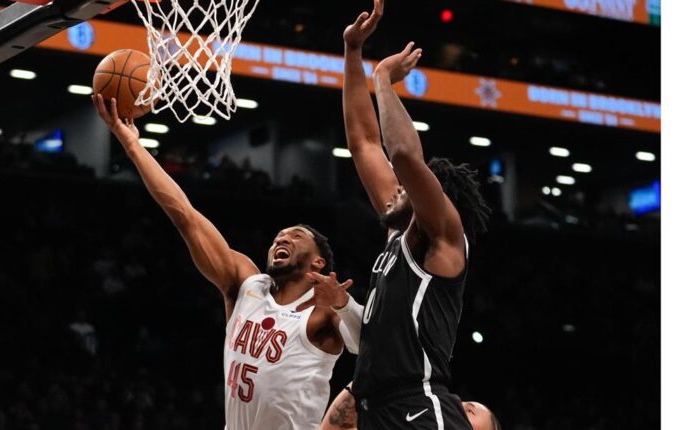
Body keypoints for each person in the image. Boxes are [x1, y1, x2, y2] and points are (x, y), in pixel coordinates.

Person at [91, 94, 355, 430]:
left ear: (318, 263)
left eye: (296, 236)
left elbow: (379, 357)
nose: (282, 239)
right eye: (278, 236)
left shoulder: (326, 310)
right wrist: (133, 146)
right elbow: (185, 216)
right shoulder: (246, 283)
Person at [298, 1, 498, 429]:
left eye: (404, 187)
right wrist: (352, 53)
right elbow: (366, 144)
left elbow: (404, 153)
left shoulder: (443, 239)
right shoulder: (400, 235)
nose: (392, 190)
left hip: (418, 405)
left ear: (431, 196)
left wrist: (383, 78)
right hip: (376, 407)